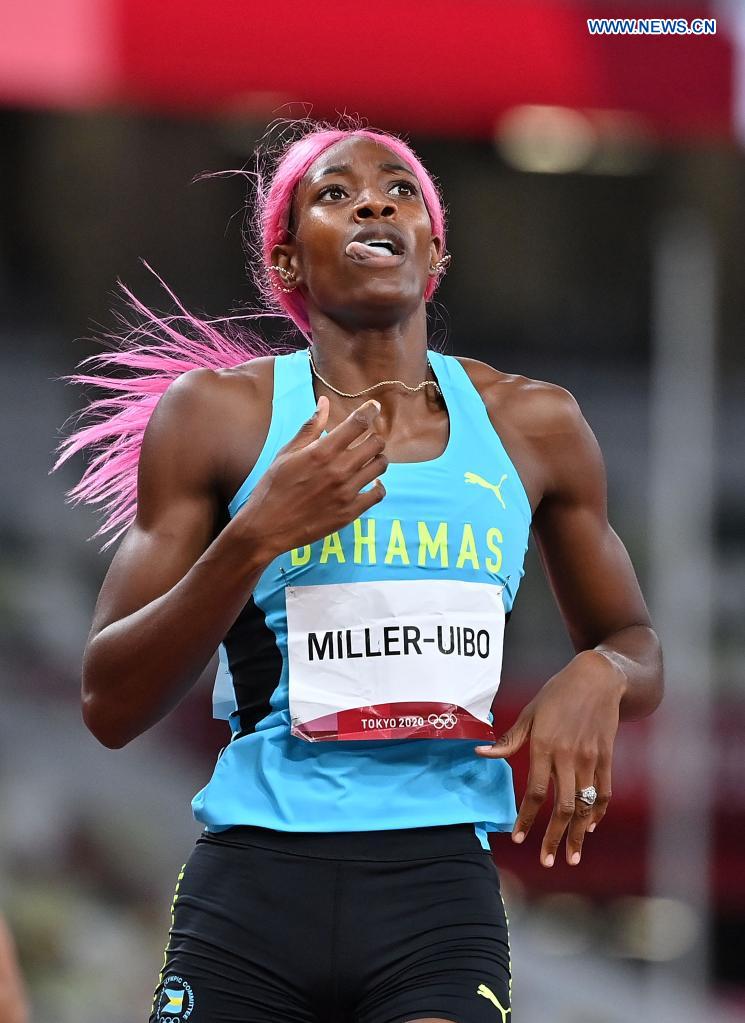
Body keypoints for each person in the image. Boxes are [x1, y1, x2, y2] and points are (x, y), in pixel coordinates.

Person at [58, 121, 663, 1023]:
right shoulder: (217, 418)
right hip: (255, 882)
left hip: (436, 892)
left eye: (400, 190)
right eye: (335, 194)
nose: (374, 203)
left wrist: (600, 671)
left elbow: (635, 644)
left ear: (435, 251)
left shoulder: (535, 425)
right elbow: (109, 702)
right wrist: (253, 536)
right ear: (288, 262)